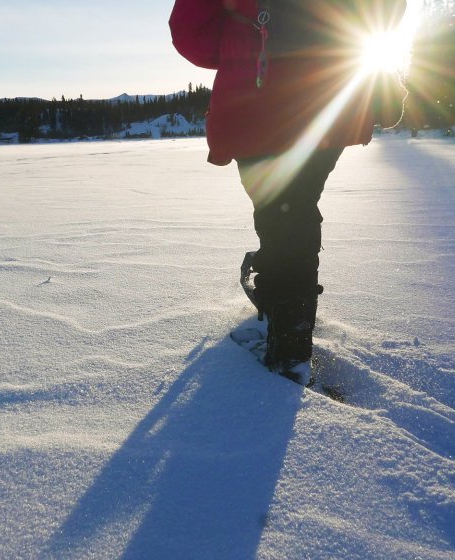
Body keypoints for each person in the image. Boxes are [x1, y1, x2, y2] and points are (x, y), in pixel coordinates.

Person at [170, 0, 406, 384]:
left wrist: (246, 38)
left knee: (282, 212)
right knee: (291, 209)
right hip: (336, 93)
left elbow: (191, 33)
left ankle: (290, 345)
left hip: (259, 103)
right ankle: (285, 307)